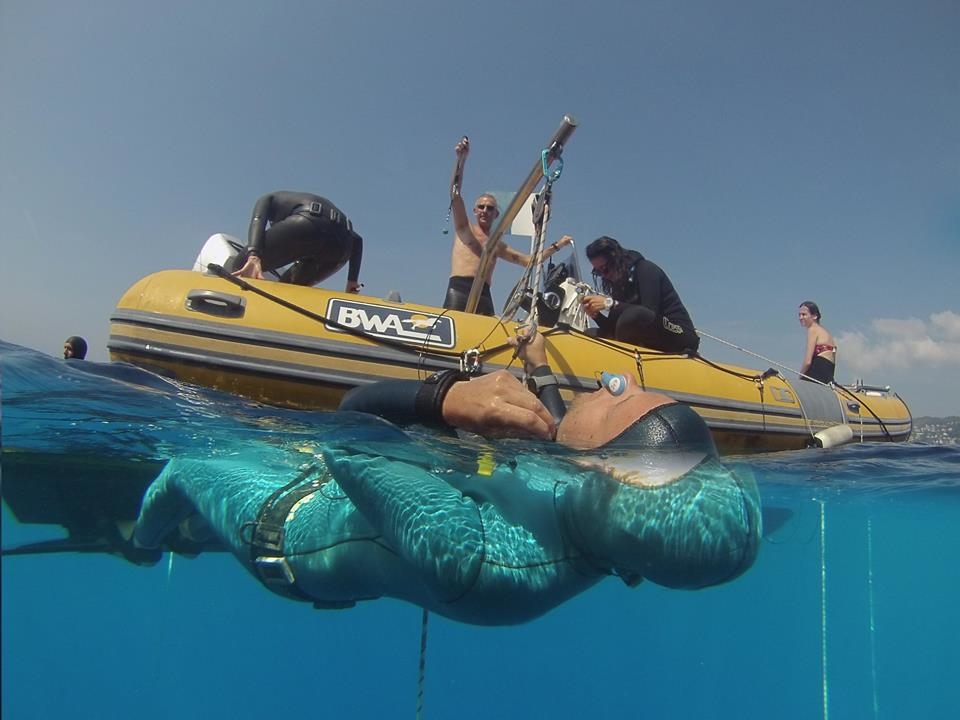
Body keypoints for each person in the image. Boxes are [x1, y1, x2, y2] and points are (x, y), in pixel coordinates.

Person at [121, 332, 759, 625]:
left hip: (284, 526)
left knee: (184, 469)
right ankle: (192, 535)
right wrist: (536, 368)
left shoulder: (483, 562)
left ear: (604, 466)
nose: (609, 379)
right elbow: (561, 442)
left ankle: (139, 546)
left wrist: (444, 398)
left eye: (620, 391)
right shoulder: (600, 509)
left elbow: (346, 430)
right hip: (364, 509)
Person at [445, 137, 572, 315]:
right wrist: (461, 160)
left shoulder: (497, 245)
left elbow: (530, 261)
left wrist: (558, 245)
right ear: (474, 210)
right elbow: (455, 193)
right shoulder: (464, 230)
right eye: (481, 207)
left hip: (484, 294)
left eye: (490, 208)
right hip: (459, 289)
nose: (484, 211)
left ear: (496, 215)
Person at [580, 236, 700, 354]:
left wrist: (610, 303)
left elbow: (647, 314)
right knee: (591, 334)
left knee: (633, 315)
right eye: (598, 272)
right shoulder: (618, 286)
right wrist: (596, 316)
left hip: (680, 334)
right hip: (652, 336)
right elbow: (613, 329)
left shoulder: (646, 270)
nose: (604, 275)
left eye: (605, 268)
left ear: (616, 259)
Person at [228, 191, 363, 292]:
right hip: (343, 243)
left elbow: (258, 220)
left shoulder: (267, 199)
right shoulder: (290, 201)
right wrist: (352, 281)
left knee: (241, 266)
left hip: (308, 221)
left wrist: (253, 255)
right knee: (289, 289)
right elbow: (357, 240)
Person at [798, 300, 836, 383]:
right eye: (799, 315)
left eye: (804, 314)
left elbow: (808, 361)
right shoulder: (826, 333)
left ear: (814, 316)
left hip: (818, 370)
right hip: (829, 372)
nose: (800, 317)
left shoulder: (812, 330)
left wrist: (800, 376)